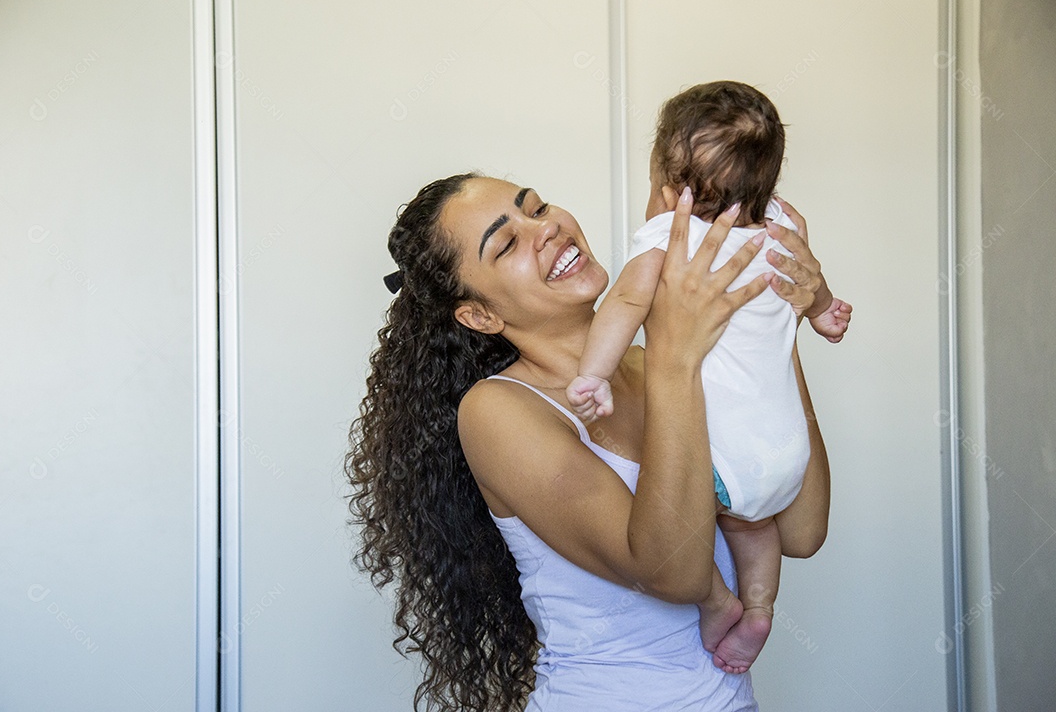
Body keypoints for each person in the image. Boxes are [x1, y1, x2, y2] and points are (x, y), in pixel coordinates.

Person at [346, 171, 832, 711]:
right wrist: (676, 347)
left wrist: (775, 317)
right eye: (507, 244)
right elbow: (673, 572)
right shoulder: (497, 411)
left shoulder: (664, 366)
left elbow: (802, 529)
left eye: (537, 207)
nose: (545, 229)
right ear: (480, 315)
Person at [565, 81, 851, 674]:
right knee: (759, 523)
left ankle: (727, 604)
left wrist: (593, 374)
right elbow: (810, 286)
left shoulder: (670, 238)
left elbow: (622, 306)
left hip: (727, 460)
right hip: (785, 452)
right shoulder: (777, 230)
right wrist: (822, 310)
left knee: (717, 511)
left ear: (673, 192)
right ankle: (762, 607)